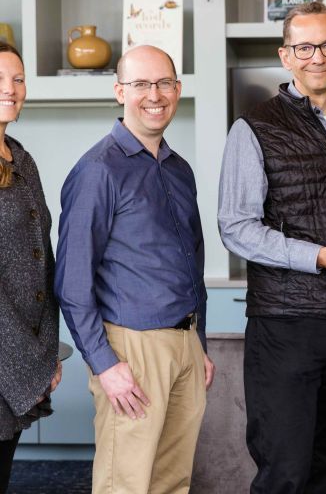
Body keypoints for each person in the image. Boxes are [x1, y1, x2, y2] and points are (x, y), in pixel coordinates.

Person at [218, 1, 326, 493]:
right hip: (286, 323)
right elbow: (236, 227)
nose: (317, 56)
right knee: (285, 470)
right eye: (304, 46)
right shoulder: (253, 128)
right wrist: (316, 256)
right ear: (286, 56)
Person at [55, 45, 214, 494]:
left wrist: (197, 342)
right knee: (126, 483)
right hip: (131, 349)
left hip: (183, 345)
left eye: (164, 82)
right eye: (141, 84)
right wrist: (105, 364)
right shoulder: (97, 171)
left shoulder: (178, 169)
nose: (154, 94)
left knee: (172, 482)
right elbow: (72, 283)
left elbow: (192, 261)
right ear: (119, 90)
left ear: (178, 89)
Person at [0, 42, 61, 493]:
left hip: (21, 361)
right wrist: (31, 367)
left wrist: (47, 354)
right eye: (0, 79)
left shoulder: (21, 158)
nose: (11, 89)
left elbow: (44, 260)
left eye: (18, 79)